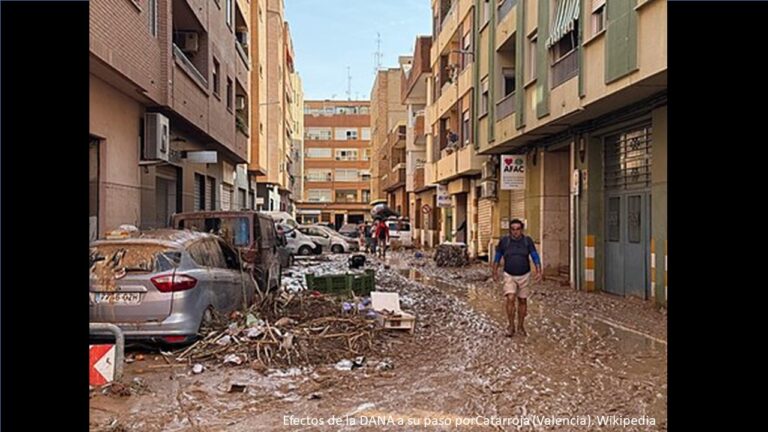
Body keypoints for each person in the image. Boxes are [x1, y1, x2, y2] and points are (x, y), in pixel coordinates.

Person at [492, 219, 542, 337]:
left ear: (521, 230)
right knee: (510, 298)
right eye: (513, 229)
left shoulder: (527, 241)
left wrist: (539, 271)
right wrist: (494, 271)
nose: (515, 232)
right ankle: (511, 326)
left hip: (524, 274)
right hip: (509, 274)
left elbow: (535, 256)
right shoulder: (504, 241)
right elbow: (498, 257)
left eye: (518, 229)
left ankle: (520, 326)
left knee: (522, 300)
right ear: (510, 230)